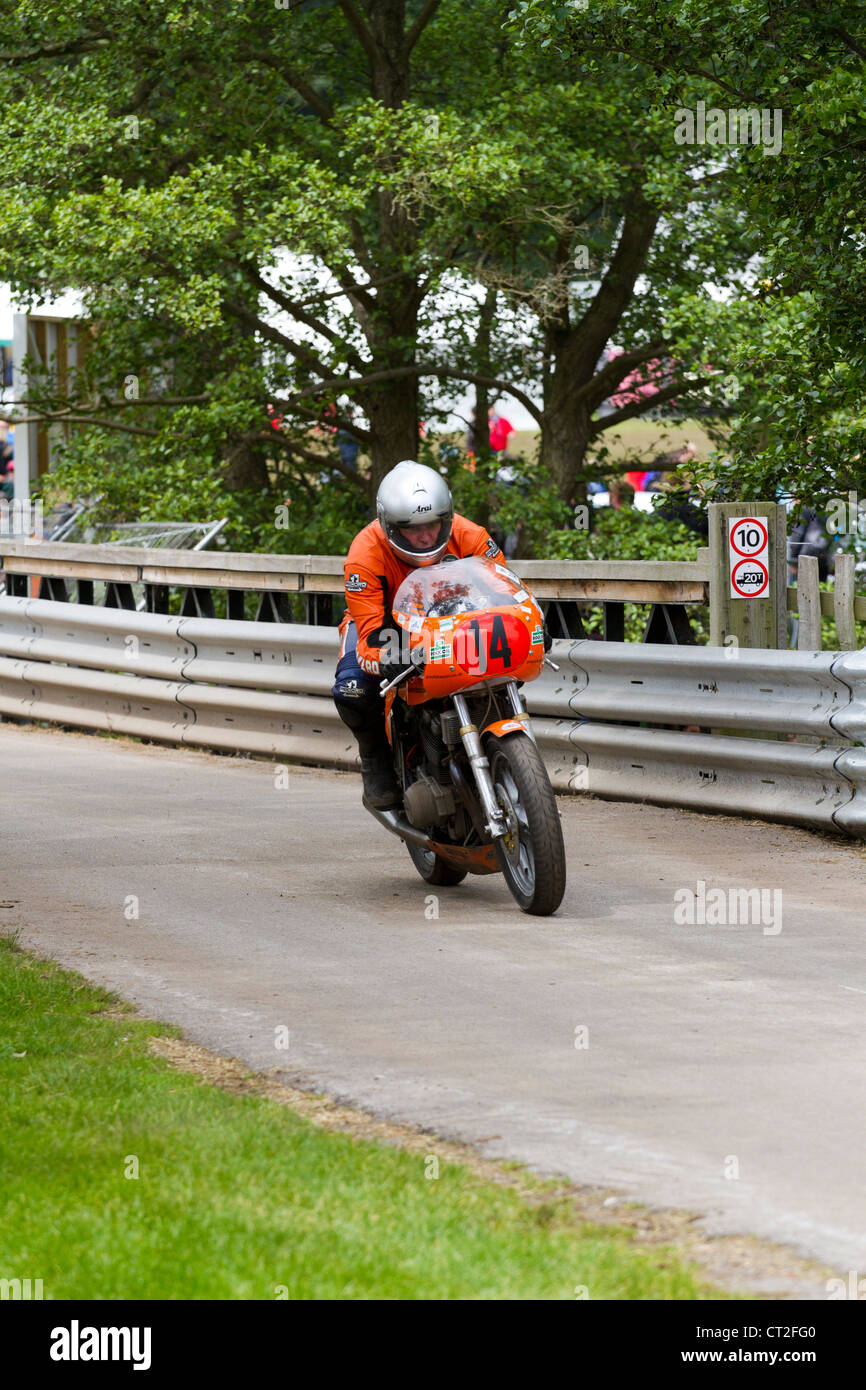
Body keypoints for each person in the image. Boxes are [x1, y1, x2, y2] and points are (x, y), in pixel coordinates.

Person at [331, 460, 504, 808]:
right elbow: (370, 633)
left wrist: (534, 623)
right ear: (390, 526)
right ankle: (375, 759)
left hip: (451, 617)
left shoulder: (471, 535)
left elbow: (505, 590)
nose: (426, 536)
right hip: (385, 625)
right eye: (414, 529)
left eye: (434, 524)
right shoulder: (364, 553)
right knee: (353, 687)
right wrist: (389, 656)